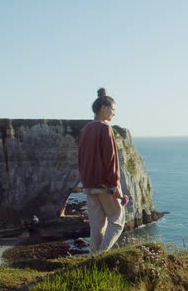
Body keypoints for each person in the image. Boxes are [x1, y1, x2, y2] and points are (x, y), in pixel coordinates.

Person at [78, 88, 125, 254]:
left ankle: (92, 258)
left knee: (97, 227)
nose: (114, 113)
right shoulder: (105, 129)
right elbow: (110, 160)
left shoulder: (85, 130)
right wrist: (115, 185)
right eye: (113, 109)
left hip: (89, 185)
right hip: (104, 185)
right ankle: (100, 256)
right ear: (104, 108)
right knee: (117, 220)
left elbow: (81, 159)